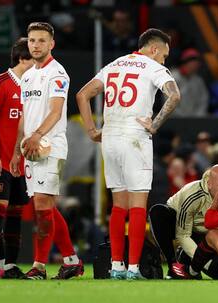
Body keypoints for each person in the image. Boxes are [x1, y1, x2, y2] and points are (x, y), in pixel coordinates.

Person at [76, 28, 181, 280]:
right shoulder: (153, 67)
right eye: (164, 55)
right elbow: (174, 95)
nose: (164, 60)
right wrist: (154, 125)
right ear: (154, 49)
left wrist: (91, 130)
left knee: (118, 205)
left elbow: (82, 94)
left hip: (110, 137)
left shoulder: (113, 64)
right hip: (135, 137)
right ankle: (134, 268)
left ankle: (116, 266)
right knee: (137, 205)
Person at [9, 22, 83, 280]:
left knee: (42, 205)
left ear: (51, 44)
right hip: (29, 148)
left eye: (41, 40)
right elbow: (23, 117)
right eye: (32, 41)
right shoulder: (28, 75)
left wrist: (37, 135)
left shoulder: (57, 73)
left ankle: (39, 267)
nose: (36, 45)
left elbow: (55, 111)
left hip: (49, 146)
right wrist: (17, 151)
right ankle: (72, 261)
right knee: (47, 206)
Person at [0, 38, 33, 279]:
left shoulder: (33, 86)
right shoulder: (0, 83)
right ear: (23, 59)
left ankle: (11, 265)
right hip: (0, 160)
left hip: (22, 164)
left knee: (15, 215)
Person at [149, 164, 218, 279]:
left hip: (208, 236)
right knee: (158, 212)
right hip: (180, 228)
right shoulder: (192, 194)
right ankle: (174, 265)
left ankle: (186, 259)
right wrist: (205, 264)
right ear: (209, 184)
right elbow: (183, 234)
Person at [171, 48, 209, 117]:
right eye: (193, 61)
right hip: (175, 120)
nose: (196, 64)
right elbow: (169, 103)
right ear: (186, 62)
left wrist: (197, 117)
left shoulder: (198, 80)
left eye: (197, 62)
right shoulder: (173, 77)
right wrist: (183, 119)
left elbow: (203, 101)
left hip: (195, 121)